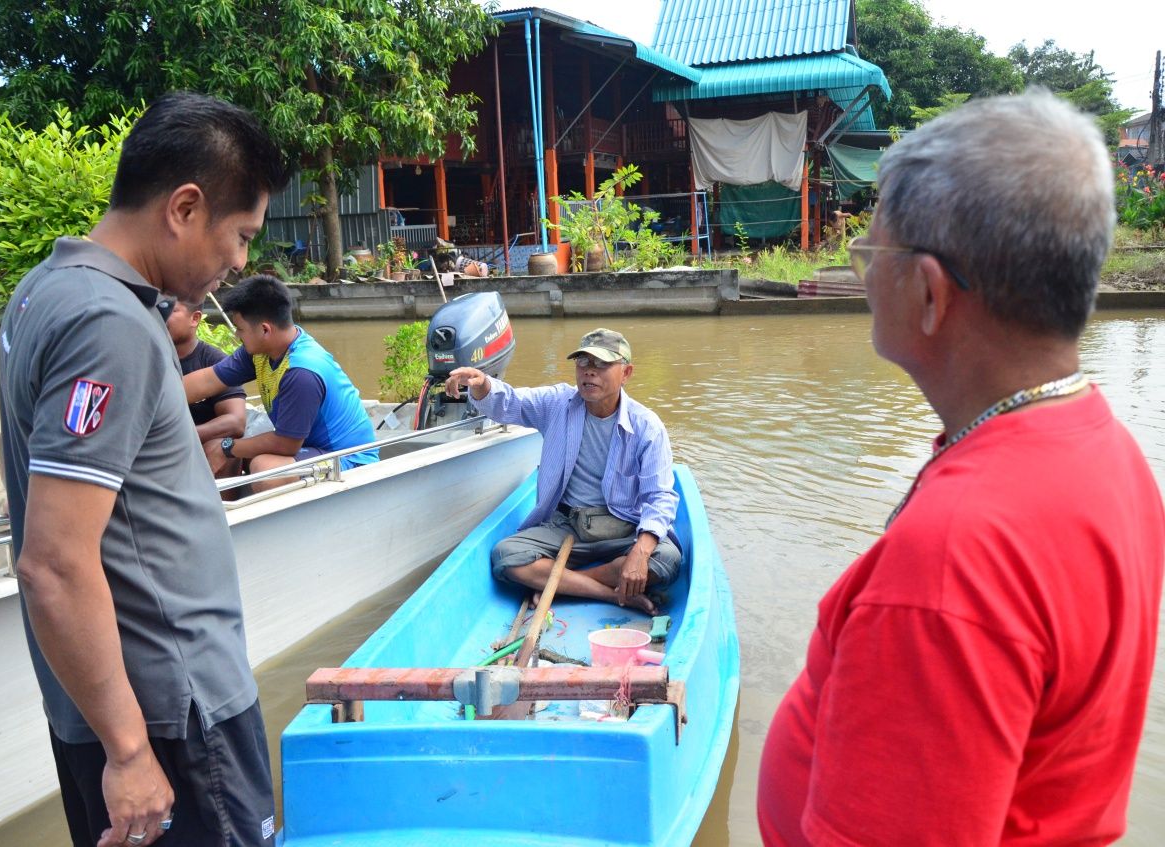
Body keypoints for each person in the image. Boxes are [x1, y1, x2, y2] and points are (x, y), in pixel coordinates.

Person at [758, 90, 1165, 846]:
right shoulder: (1107, 453)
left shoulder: (952, 558)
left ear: (930, 293)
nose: (861, 277)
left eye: (870, 255)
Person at [0, 92, 288, 847]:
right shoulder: (109, 324)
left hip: (116, 711)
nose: (239, 262)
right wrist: (130, 750)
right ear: (185, 207)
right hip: (172, 717)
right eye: (239, 234)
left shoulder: (40, 293)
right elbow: (53, 562)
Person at [444, 328, 680, 614]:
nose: (589, 372)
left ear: (626, 373)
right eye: (583, 363)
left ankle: (560, 584)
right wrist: (482, 385)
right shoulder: (558, 403)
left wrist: (640, 553)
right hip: (566, 525)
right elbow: (511, 403)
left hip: (623, 527)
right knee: (507, 556)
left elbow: (660, 498)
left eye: (602, 364)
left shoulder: (647, 426)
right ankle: (610, 593)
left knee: (665, 560)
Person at [184, 274, 378, 491]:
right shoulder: (261, 351)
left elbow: (286, 444)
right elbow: (207, 380)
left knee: (264, 469)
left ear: (265, 329)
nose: (237, 335)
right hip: (308, 447)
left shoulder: (301, 372)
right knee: (231, 449)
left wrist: (227, 447)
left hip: (347, 458)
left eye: (240, 329)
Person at [164, 299, 247, 465]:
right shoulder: (146, 357)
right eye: (159, 309)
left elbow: (236, 421)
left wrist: (179, 435)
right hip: (156, 447)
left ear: (195, 319)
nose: (161, 316)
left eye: (171, 311)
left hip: (196, 446)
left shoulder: (215, 360)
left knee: (223, 447)